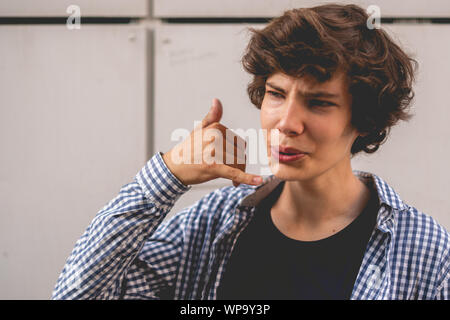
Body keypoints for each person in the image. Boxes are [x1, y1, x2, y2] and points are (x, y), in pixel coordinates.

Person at [52, 3, 449, 300]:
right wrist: (168, 175)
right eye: (276, 94)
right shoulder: (214, 224)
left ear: (364, 119)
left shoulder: (423, 250)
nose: (287, 122)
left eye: (319, 103)